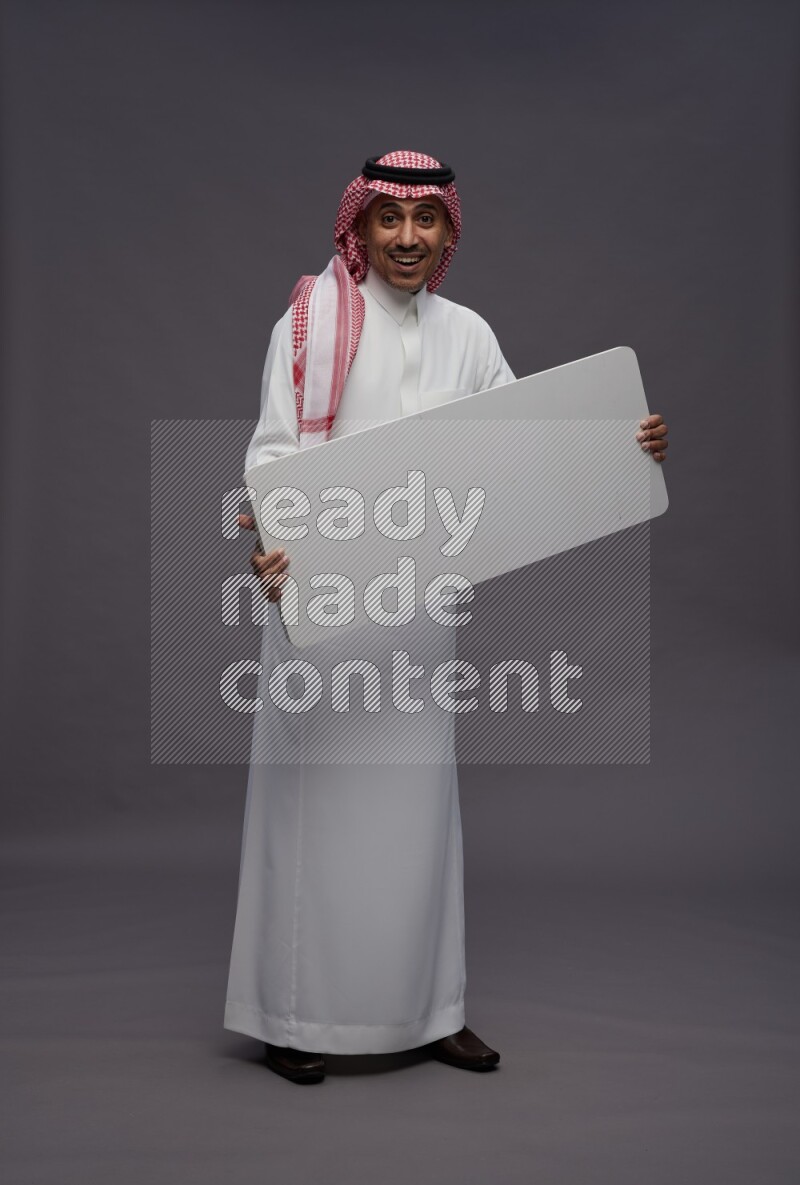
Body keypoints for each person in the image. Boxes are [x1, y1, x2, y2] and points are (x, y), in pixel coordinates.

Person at [224, 151, 670, 1085]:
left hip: (419, 618)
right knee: (315, 817)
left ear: (448, 232)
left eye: (426, 221)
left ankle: (431, 1010)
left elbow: (526, 439)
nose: (408, 239)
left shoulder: (468, 333)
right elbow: (269, 459)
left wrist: (621, 442)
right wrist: (265, 544)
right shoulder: (307, 323)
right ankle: (294, 1015)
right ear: (360, 226)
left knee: (419, 814)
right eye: (390, 219)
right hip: (322, 608)